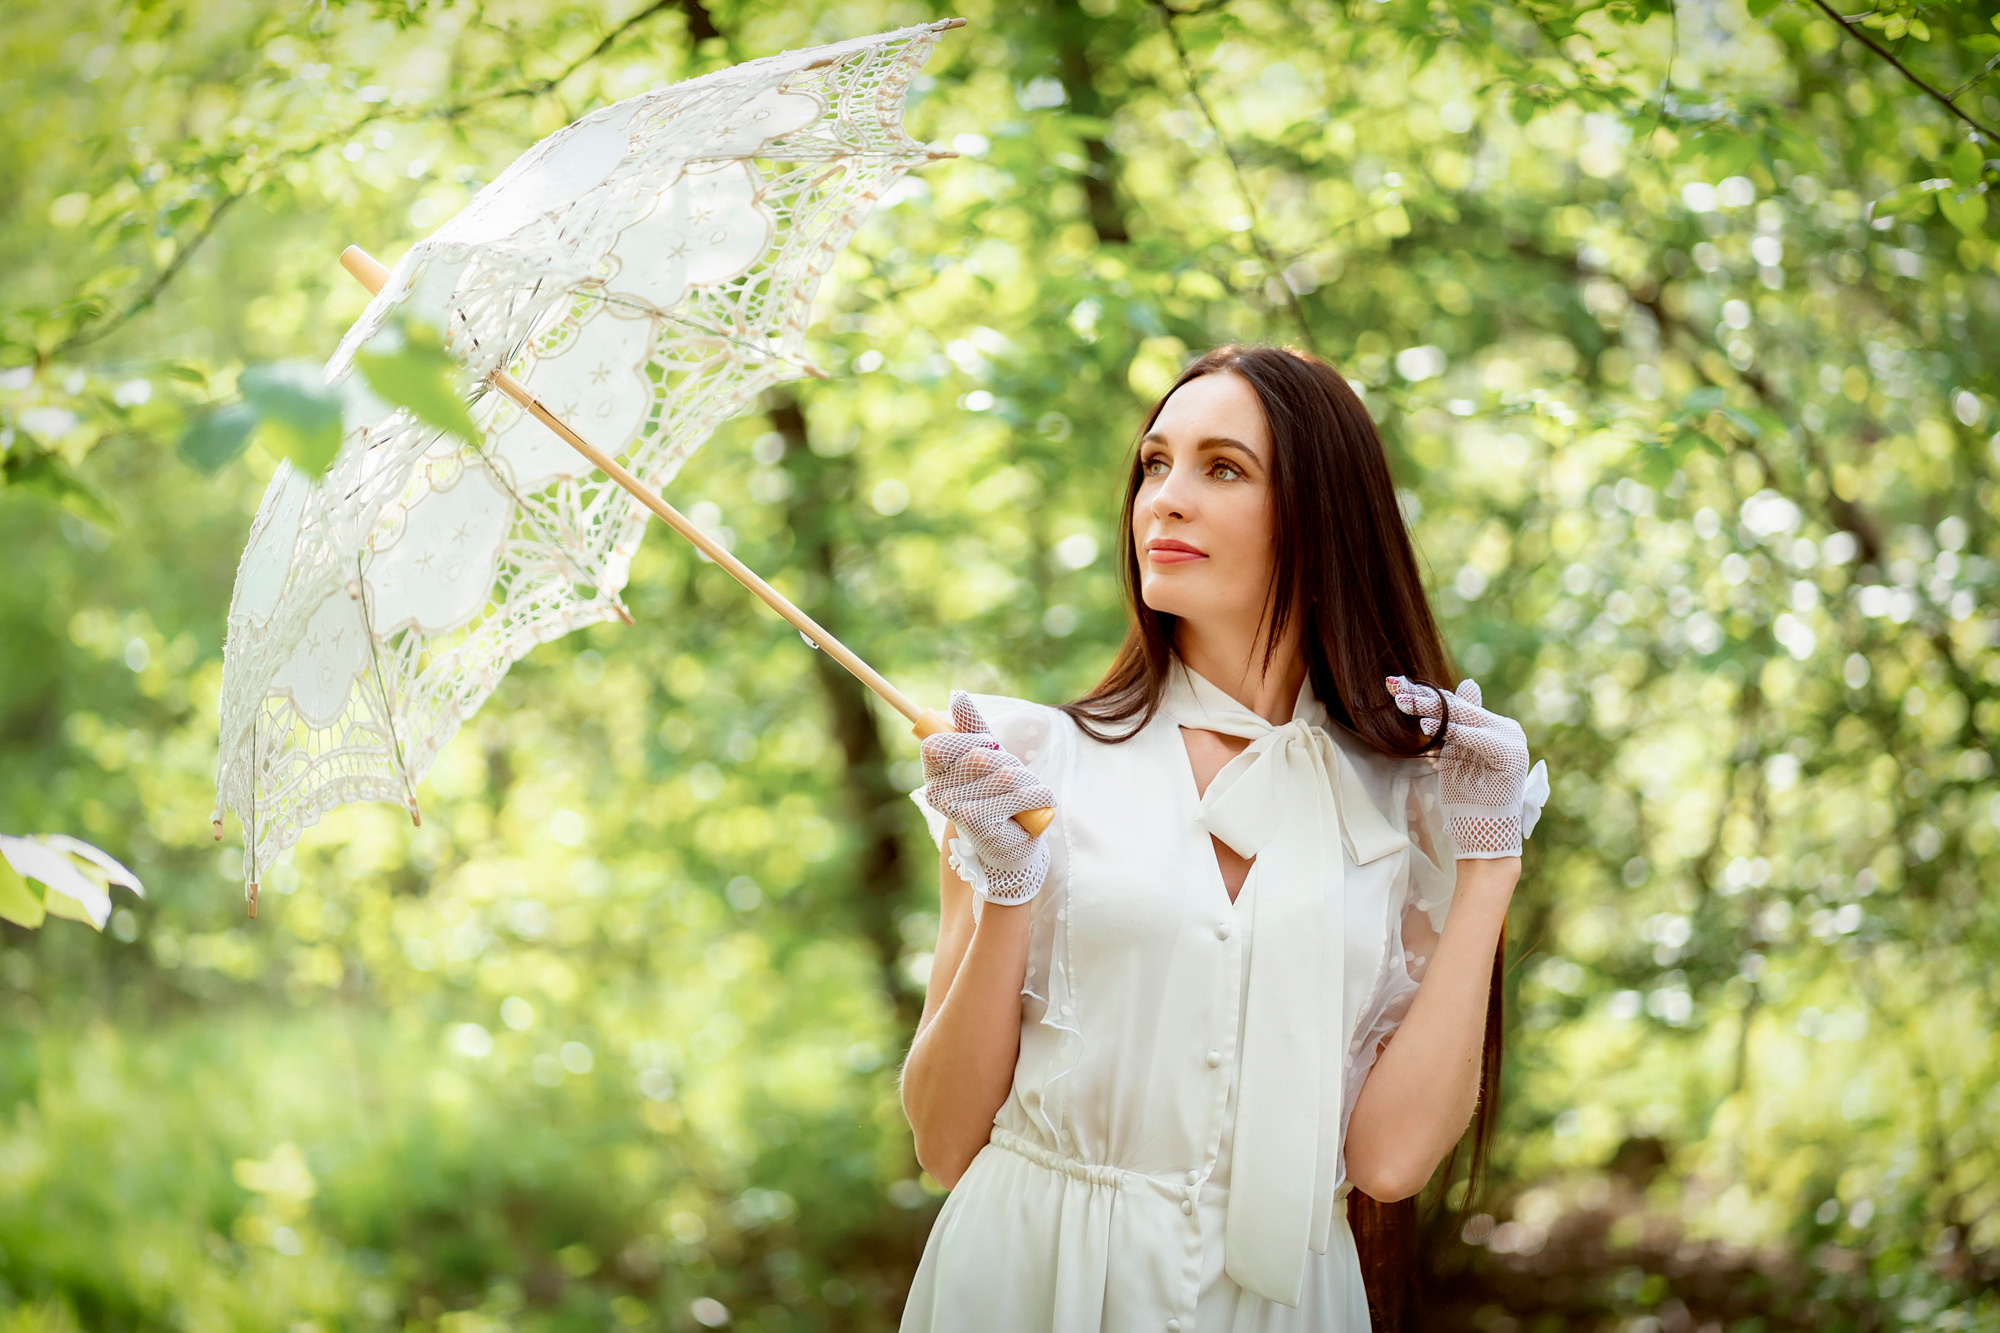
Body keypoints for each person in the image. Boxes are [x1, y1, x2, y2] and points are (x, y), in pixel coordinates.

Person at [896, 344, 1549, 1332]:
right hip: (1032, 1281)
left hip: (1279, 1303)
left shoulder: (1413, 800)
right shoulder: (1027, 767)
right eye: (1154, 464)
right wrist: (1008, 889)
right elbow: (944, 1142)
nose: (1164, 497)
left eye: (1222, 468)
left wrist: (1489, 857)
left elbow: (1389, 1159)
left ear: (1318, 516)